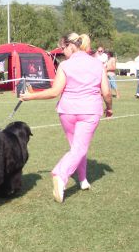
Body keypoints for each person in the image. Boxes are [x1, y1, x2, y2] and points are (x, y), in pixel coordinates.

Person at [19, 32, 112, 203]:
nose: (63, 52)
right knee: (79, 148)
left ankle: (83, 180)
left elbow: (55, 92)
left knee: (76, 148)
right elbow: (106, 92)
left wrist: (30, 96)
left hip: (67, 111)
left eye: (63, 49)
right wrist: (110, 108)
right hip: (90, 110)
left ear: (71, 45)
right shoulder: (98, 64)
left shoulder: (65, 66)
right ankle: (60, 174)